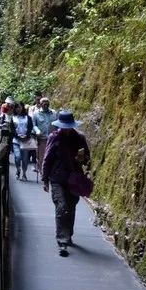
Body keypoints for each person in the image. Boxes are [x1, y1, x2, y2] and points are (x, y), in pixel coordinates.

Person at [41, 110, 90, 257]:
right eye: (64, 126)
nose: (66, 128)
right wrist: (45, 179)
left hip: (74, 178)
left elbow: (87, 158)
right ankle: (62, 240)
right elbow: (47, 158)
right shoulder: (54, 137)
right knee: (61, 206)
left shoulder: (79, 138)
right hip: (57, 178)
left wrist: (83, 159)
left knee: (71, 206)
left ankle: (68, 235)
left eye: (69, 126)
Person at [9, 103, 36, 181]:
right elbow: (12, 129)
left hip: (26, 140)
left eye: (19, 107)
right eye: (16, 107)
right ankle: (18, 170)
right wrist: (18, 136)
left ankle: (24, 174)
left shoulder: (28, 118)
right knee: (17, 157)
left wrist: (26, 136)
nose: (18, 109)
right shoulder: (13, 118)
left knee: (25, 159)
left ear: (22, 108)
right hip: (16, 140)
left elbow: (30, 127)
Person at [32, 97, 57, 179]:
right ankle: (43, 173)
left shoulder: (54, 113)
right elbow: (34, 125)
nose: (46, 104)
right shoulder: (36, 113)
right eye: (44, 102)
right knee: (41, 157)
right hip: (41, 139)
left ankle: (49, 172)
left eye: (47, 102)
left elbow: (57, 125)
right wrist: (37, 131)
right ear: (40, 104)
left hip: (52, 139)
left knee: (51, 156)